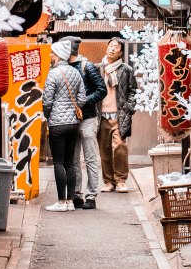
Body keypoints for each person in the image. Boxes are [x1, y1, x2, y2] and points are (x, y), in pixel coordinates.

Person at [59, 36, 106, 210]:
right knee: (73, 159)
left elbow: (102, 90)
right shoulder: (62, 67)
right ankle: (76, 194)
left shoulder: (87, 66)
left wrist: (83, 101)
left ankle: (91, 195)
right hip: (71, 119)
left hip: (87, 118)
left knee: (90, 158)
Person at [41, 39, 87, 212]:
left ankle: (61, 202)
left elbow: (47, 100)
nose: (50, 55)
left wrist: (48, 114)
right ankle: (69, 202)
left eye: (52, 53)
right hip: (74, 124)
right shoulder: (75, 73)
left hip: (57, 125)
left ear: (58, 54)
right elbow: (82, 99)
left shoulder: (53, 73)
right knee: (70, 163)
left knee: (58, 162)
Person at [98, 38, 137, 192]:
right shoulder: (98, 68)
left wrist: (129, 107)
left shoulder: (126, 69)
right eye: (110, 46)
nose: (112, 49)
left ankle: (121, 180)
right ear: (106, 48)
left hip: (119, 114)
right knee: (104, 149)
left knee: (120, 147)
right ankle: (108, 181)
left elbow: (133, 90)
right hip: (101, 116)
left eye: (116, 47)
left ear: (121, 52)